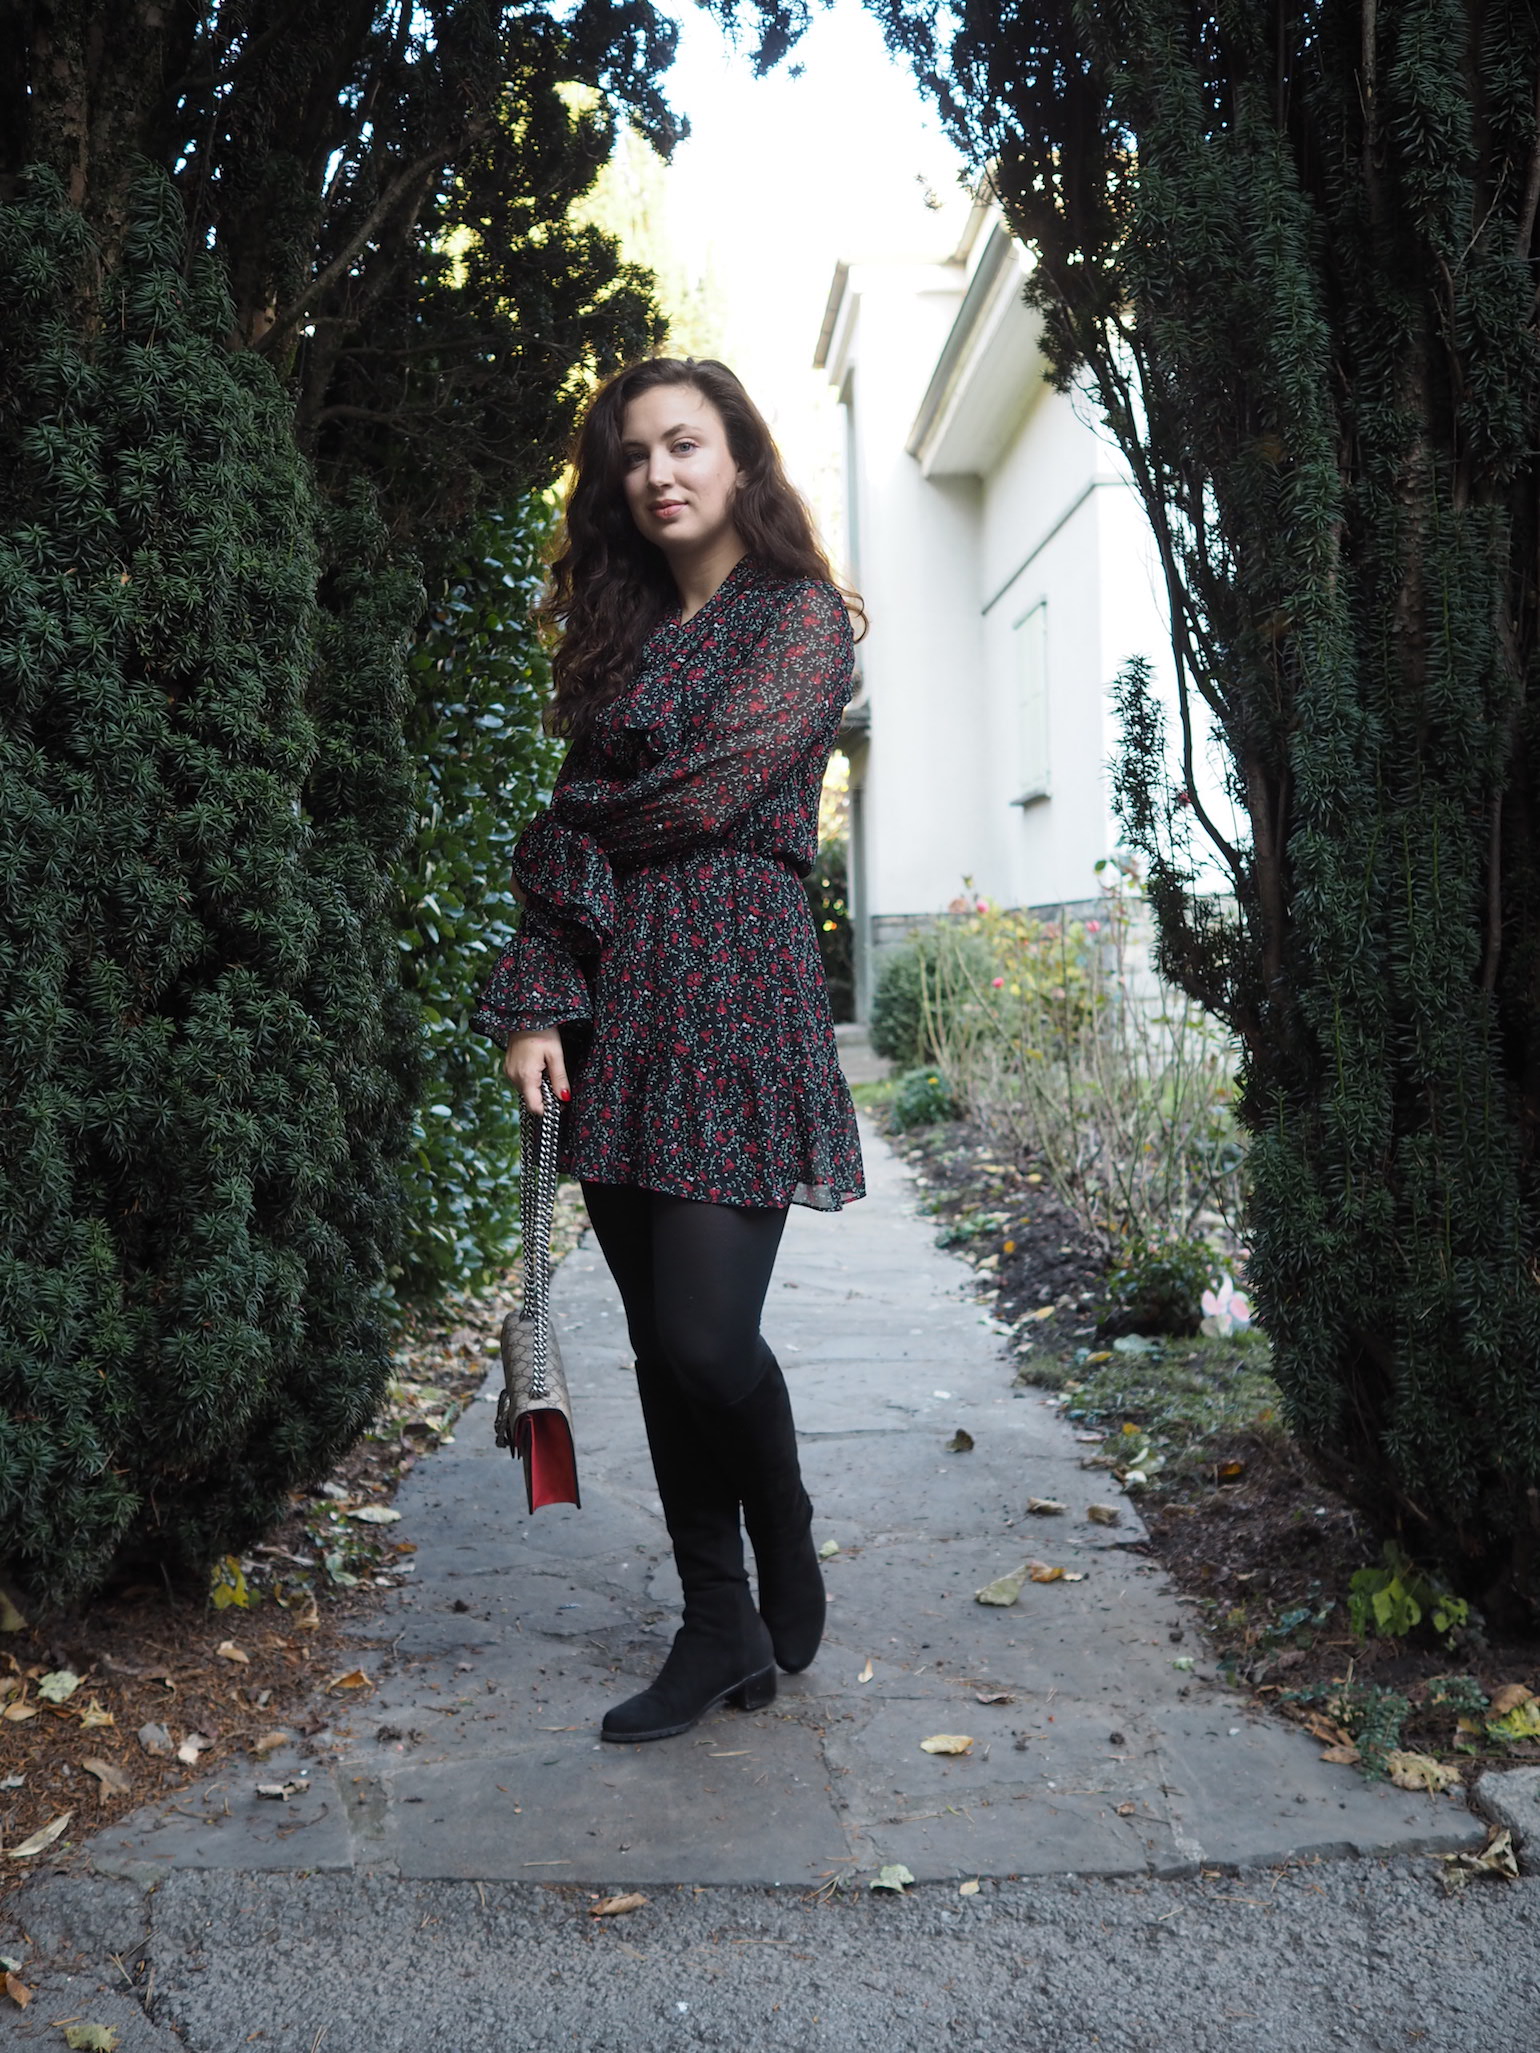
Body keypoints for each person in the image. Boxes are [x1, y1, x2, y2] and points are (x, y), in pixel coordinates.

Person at [470, 356, 866, 1744]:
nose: (658, 474)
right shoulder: (616, 646)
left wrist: (579, 818)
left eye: (684, 443)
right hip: (615, 1006)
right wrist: (532, 999)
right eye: (634, 456)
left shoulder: (802, 622)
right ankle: (719, 1624)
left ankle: (786, 1521)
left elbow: (692, 797)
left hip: (739, 994)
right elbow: (572, 838)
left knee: (708, 1337)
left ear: (739, 456)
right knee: (653, 1335)